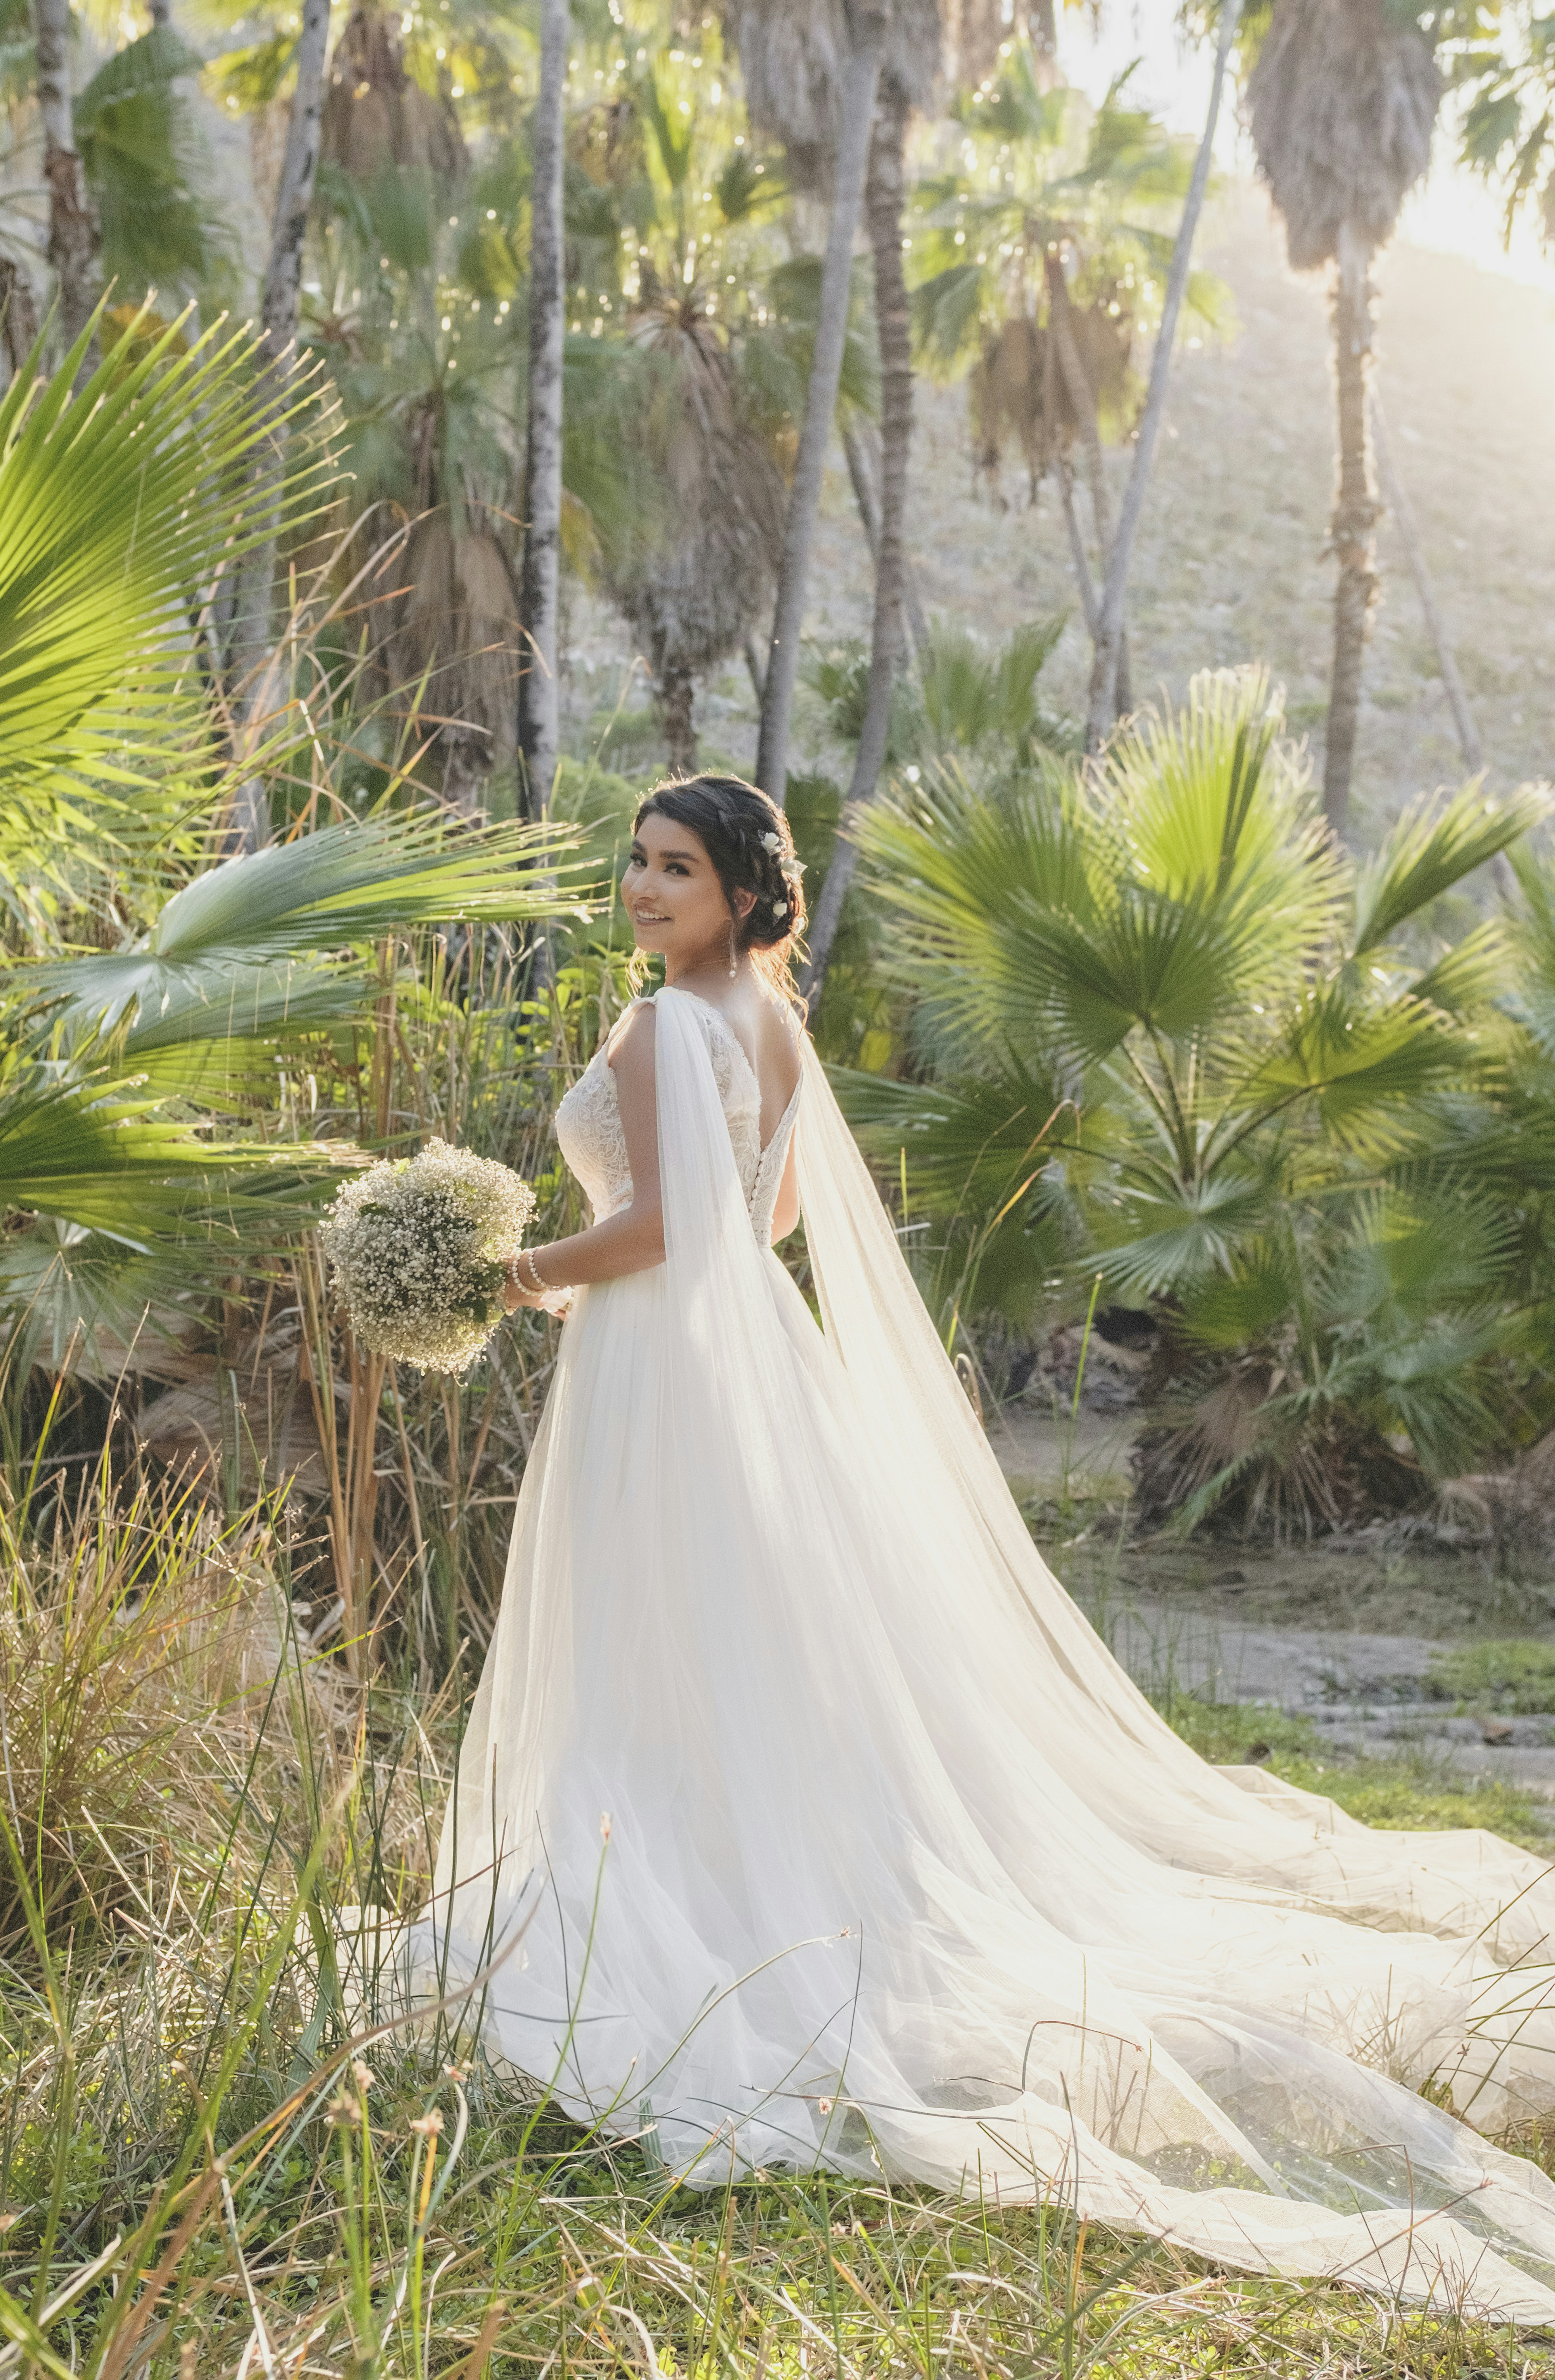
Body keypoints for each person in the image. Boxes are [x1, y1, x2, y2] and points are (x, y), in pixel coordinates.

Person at [403, 770, 1555, 2319]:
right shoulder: (770, 1021)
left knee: (654, 1626)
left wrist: (501, 1273)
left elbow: (670, 1233)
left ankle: (668, 1892)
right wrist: (616, 1262)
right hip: (731, 1370)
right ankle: (734, 1866)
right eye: (636, 864)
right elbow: (778, 1217)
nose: (642, 890)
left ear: (744, 891)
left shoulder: (678, 1023)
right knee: (719, 1635)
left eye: (674, 870)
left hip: (662, 1367)